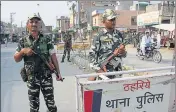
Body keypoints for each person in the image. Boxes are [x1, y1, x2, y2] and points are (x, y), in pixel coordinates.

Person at [13, 14, 63, 112]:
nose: (34, 24)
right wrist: (23, 51)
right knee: (34, 108)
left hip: (46, 77)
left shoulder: (46, 40)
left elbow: (53, 56)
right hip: (32, 79)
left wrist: (58, 73)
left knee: (51, 106)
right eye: (31, 22)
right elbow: (16, 59)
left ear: (40, 25)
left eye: (36, 22)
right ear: (28, 25)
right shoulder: (22, 41)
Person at [88, 9, 127, 81]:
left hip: (118, 73)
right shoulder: (98, 36)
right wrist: (99, 71)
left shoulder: (119, 34)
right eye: (110, 19)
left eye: (114, 19)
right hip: (104, 74)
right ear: (104, 21)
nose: (113, 22)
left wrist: (123, 52)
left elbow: (124, 55)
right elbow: (91, 55)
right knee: (102, 92)